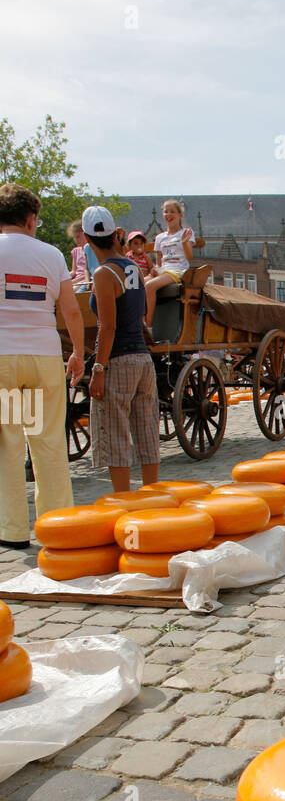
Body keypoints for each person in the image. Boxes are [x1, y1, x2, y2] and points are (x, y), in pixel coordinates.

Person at [0, 184, 85, 549]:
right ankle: (58, 526)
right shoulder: (50, 254)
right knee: (47, 442)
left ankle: (13, 530)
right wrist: (78, 353)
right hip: (43, 357)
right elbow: (70, 310)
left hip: (4, 357)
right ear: (31, 218)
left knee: (8, 444)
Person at [82, 205, 160, 493]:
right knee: (146, 431)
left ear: (88, 241)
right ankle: (153, 495)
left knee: (115, 433)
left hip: (119, 359)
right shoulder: (134, 269)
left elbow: (107, 327)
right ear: (116, 235)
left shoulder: (103, 273)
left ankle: (124, 500)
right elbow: (140, 317)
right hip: (142, 359)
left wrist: (98, 368)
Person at [144, 199, 193, 330]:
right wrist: (155, 270)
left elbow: (189, 257)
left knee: (149, 286)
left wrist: (184, 243)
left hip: (178, 270)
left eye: (172, 212)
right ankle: (139, 320)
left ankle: (148, 327)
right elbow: (159, 261)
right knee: (136, 285)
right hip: (164, 271)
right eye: (166, 212)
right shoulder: (160, 237)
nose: (168, 215)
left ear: (180, 215)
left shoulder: (186, 233)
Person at [67, 219, 90, 291]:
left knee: (73, 289)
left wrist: (73, 282)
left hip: (85, 280)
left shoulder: (90, 250)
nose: (76, 240)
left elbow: (88, 272)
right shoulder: (75, 251)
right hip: (76, 280)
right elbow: (74, 271)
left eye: (78, 237)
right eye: (74, 237)